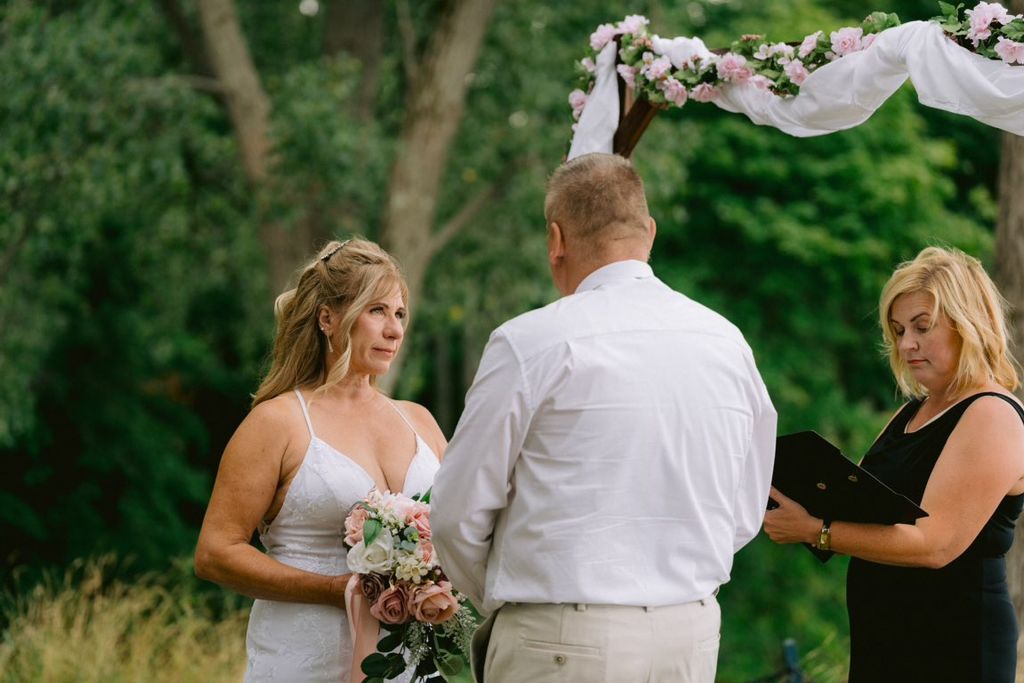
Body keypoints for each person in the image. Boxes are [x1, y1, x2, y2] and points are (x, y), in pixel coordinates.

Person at [430, 152, 777, 683]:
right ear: (650, 232)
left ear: (556, 240)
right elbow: (745, 509)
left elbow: (456, 514)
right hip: (690, 634)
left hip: (564, 638)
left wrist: (517, 598)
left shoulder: (530, 343)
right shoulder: (727, 343)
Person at [764, 246, 1024, 682]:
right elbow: (863, 506)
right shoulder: (911, 412)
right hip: (885, 642)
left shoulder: (991, 414)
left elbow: (935, 544)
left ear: (967, 324)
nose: (906, 344)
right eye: (899, 330)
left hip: (952, 647)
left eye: (922, 327)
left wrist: (817, 531)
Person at [194, 238, 446, 683]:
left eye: (400, 313)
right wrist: (337, 591)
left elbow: (462, 530)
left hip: (411, 665)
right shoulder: (277, 423)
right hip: (303, 661)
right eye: (377, 311)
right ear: (328, 318)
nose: (394, 330)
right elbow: (216, 553)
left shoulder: (419, 421)